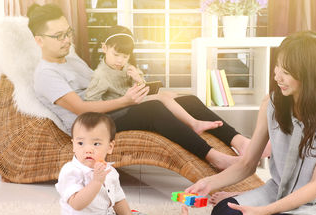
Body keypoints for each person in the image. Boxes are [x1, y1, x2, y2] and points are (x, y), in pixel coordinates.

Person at [28, 3, 271, 171]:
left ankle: (240, 142)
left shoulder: (71, 59)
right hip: (90, 126)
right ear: (39, 40)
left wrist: (136, 85)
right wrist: (127, 101)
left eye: (68, 33)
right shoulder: (46, 74)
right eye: (58, 36)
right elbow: (82, 109)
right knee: (154, 110)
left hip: (108, 111)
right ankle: (215, 158)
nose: (67, 40)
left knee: (187, 101)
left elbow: (101, 84)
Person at [185, 31, 316, 215]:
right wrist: (209, 183)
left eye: (286, 72)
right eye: (277, 66)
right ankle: (267, 212)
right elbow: (248, 164)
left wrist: (262, 211)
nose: (277, 76)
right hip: (280, 190)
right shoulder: (272, 102)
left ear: (310, 74)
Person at [56, 112, 189, 215]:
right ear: (73, 145)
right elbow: (77, 203)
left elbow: (118, 199)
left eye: (96, 144)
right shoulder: (70, 171)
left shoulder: (111, 172)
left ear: (110, 147)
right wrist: (96, 182)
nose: (88, 149)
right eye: (81, 143)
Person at [85, 25, 224, 137]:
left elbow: (140, 88)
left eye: (125, 56)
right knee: (162, 97)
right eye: (116, 55)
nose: (120, 60)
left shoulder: (125, 67)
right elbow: (90, 104)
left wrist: (138, 79)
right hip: (119, 111)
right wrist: (118, 102)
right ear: (104, 48)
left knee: (172, 95)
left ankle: (194, 122)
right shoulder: (100, 76)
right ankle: (194, 124)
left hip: (132, 103)